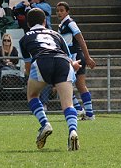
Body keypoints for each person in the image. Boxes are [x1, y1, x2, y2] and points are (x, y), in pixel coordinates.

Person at [19, 8, 81, 151]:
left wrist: (32, 76)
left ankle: (45, 123)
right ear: (45, 21)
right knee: (68, 104)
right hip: (62, 62)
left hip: (41, 61)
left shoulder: (25, 37)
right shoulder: (56, 34)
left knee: (32, 95)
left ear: (28, 23)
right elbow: (69, 57)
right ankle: (72, 131)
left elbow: (28, 65)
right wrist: (74, 65)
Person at [56, 1, 96, 120]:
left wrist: (87, 57)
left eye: (62, 10)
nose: (59, 13)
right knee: (76, 84)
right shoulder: (62, 25)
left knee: (70, 84)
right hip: (69, 57)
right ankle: (84, 112)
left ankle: (84, 112)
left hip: (76, 57)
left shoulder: (70, 23)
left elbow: (80, 39)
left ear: (67, 11)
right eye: (57, 11)